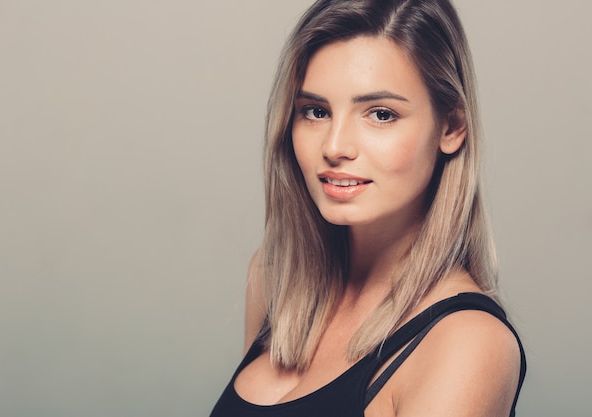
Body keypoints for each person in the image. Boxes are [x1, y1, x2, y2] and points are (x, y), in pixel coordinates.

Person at [210, 0, 526, 416]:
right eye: (316, 111)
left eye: (380, 114)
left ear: (451, 128)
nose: (335, 146)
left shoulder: (467, 342)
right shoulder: (274, 278)